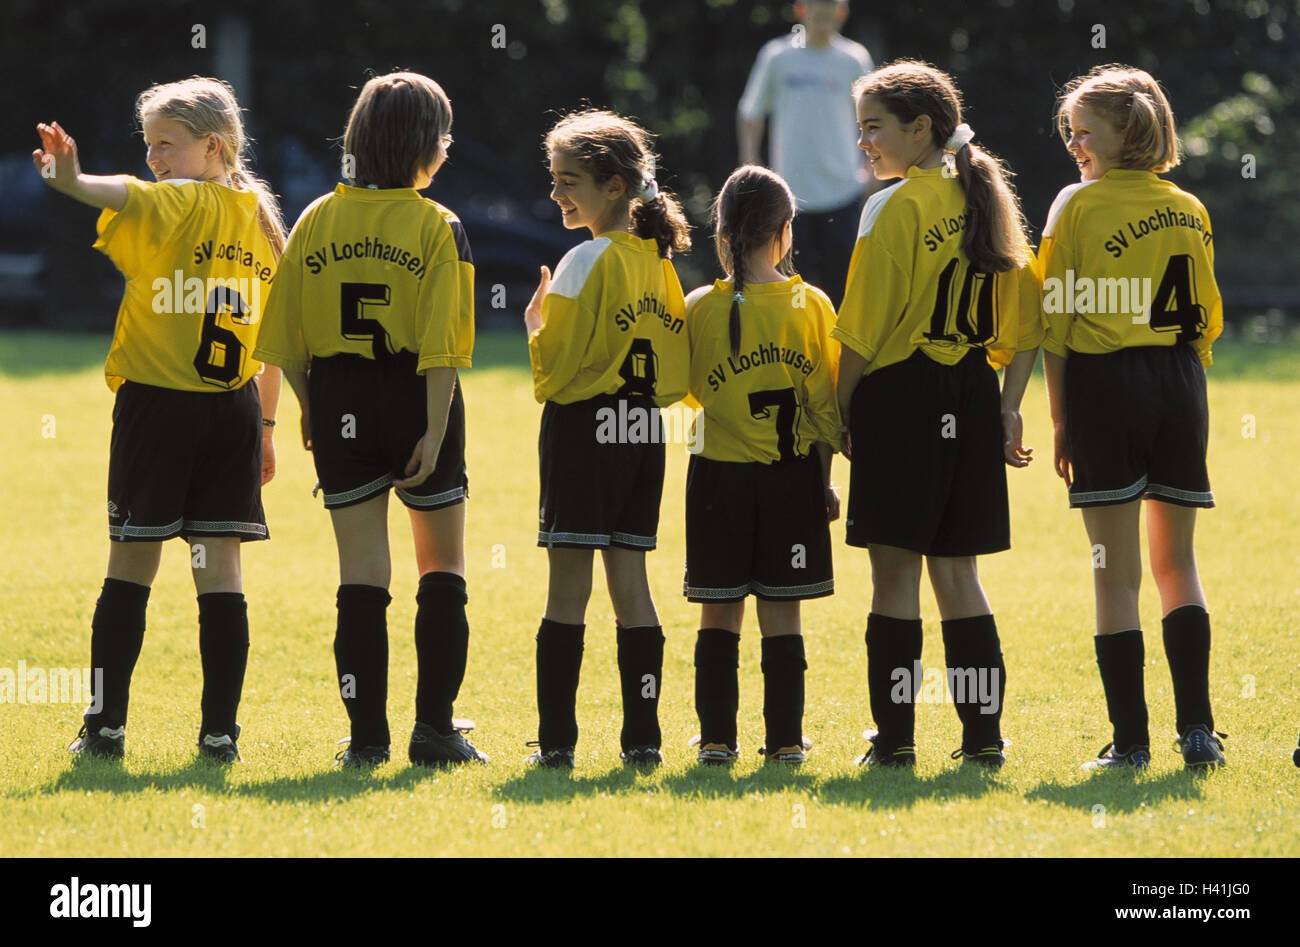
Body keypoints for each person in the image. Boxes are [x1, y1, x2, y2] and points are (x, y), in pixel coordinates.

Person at [33, 77, 285, 764]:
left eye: (166, 145)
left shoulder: (184, 200)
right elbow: (273, 342)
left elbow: (126, 193)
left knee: (131, 566)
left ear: (213, 145)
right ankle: (219, 737)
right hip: (231, 413)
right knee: (219, 574)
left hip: (159, 408)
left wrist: (74, 179)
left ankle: (106, 727)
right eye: (148, 146)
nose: (154, 160)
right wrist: (265, 424)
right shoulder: (259, 217)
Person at [254, 71, 486, 768]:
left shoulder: (317, 217)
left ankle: (366, 740)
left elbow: (284, 337)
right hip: (419, 395)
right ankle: (435, 730)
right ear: (422, 144)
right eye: (443, 135)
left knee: (361, 574)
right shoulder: (438, 224)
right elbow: (446, 342)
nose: (447, 147)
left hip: (341, 397)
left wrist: (308, 406)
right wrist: (436, 431)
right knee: (440, 565)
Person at [833, 61, 1041, 770]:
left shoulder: (892, 207)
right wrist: (1008, 409)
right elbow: (1024, 326)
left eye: (873, 128)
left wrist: (838, 410)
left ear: (921, 129)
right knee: (958, 576)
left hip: (902, 397)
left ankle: (893, 741)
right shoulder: (983, 198)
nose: (864, 143)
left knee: (895, 578)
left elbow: (859, 332)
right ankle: (983, 738)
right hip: (971, 395)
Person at [1041, 65, 1225, 771]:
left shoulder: (1075, 207)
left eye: (1086, 129)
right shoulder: (1189, 206)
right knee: (1177, 562)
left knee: (1113, 575)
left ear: (1130, 130)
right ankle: (1199, 732)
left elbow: (1055, 323)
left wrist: (1060, 419)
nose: (1074, 142)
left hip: (1105, 387)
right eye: (1069, 131)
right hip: (1180, 385)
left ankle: (1131, 742)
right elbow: (1205, 321)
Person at [523, 109, 691, 770]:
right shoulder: (659, 264)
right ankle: (642, 741)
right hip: (642, 431)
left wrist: (537, 326)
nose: (558, 195)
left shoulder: (585, 258)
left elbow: (554, 373)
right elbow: (675, 377)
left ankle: (557, 745)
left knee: (567, 589)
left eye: (571, 181)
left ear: (616, 186)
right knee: (631, 582)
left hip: (584, 431)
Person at [683, 165, 841, 767]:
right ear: (785, 230)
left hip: (717, 483)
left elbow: (683, 394)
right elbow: (825, 410)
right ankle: (783, 743)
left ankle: (717, 739)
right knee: (783, 613)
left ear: (721, 233)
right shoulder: (810, 304)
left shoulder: (699, 306)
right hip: (791, 478)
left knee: (718, 610)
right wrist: (824, 480)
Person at [738, 0, 876, 306]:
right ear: (802, 10)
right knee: (793, 292)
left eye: (832, 7)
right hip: (790, 198)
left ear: (842, 12)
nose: (824, 13)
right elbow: (751, 113)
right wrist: (751, 164)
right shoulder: (778, 56)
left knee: (844, 291)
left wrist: (871, 169)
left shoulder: (853, 59)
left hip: (844, 193)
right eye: (818, 6)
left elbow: (872, 117)